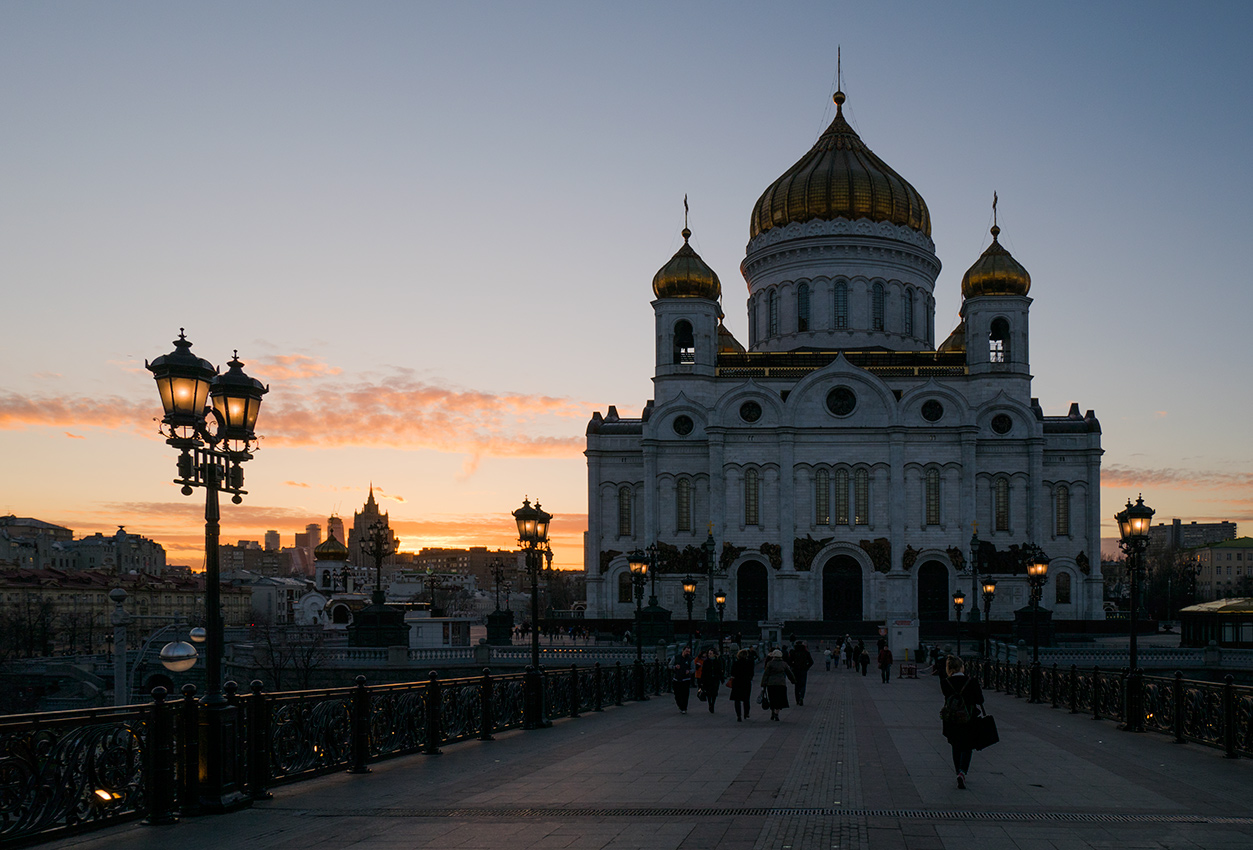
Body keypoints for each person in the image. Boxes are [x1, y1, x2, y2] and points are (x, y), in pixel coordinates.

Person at [941, 654, 985, 789]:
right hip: (968, 718)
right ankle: (962, 772)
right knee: (967, 746)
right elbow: (980, 700)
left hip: (951, 719)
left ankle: (957, 772)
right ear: (961, 667)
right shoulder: (971, 681)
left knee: (955, 745)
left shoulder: (945, 682)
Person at [759, 648, 795, 721]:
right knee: (779, 699)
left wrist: (763, 684)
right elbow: (789, 673)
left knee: (772, 698)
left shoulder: (770, 663)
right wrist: (793, 680)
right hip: (781, 684)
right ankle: (776, 713)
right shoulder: (784, 664)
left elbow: (766, 674)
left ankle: (772, 711)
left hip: (771, 684)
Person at [729, 648, 756, 721]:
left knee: (737, 700)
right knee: (746, 699)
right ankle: (746, 713)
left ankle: (738, 715)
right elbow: (751, 673)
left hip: (737, 682)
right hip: (746, 682)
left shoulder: (736, 663)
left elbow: (732, 673)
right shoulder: (749, 663)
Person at [791, 640, 814, 705]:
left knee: (796, 685)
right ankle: (801, 697)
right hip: (803, 670)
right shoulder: (806, 652)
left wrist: (793, 666)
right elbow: (811, 662)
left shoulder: (794, 652)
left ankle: (797, 699)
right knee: (803, 684)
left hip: (796, 670)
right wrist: (806, 667)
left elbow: (789, 661)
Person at [672, 646, 694, 714]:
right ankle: (680, 705)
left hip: (686, 679)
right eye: (686, 651)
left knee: (685, 694)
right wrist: (674, 667)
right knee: (677, 694)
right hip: (677, 679)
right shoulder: (676, 657)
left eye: (689, 652)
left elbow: (693, 669)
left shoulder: (690, 659)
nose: (687, 653)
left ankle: (684, 707)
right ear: (683, 651)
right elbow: (670, 665)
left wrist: (689, 671)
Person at [702, 648, 724, 713]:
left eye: (710, 654)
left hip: (715, 679)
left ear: (714, 654)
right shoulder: (706, 662)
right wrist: (702, 680)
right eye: (708, 653)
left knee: (714, 693)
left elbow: (720, 670)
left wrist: (721, 678)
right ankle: (710, 704)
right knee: (709, 693)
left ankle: (712, 704)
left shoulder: (717, 661)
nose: (709, 655)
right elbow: (703, 671)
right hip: (708, 679)